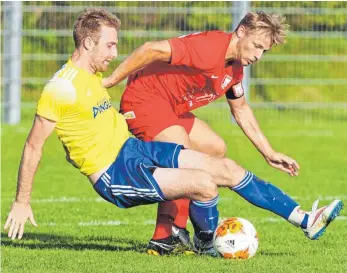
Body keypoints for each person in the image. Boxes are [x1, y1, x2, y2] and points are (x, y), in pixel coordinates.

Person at [4, 8, 343, 257]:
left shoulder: (91, 79)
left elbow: (241, 108)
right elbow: (35, 147)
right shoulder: (62, 88)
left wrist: (269, 152)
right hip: (117, 164)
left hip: (132, 149)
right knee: (202, 181)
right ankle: (183, 239)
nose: (115, 52)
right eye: (109, 45)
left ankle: (305, 219)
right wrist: (22, 202)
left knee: (223, 163)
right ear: (89, 42)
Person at [102, 11, 344, 255]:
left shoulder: (235, 68)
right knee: (186, 159)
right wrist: (111, 81)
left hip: (171, 108)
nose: (258, 55)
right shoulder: (209, 47)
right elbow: (150, 49)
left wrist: (268, 153)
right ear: (241, 32)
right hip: (144, 101)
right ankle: (166, 237)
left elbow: (240, 109)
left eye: (264, 51)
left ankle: (186, 233)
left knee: (215, 149)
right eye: (256, 46)